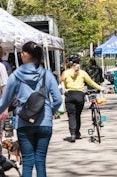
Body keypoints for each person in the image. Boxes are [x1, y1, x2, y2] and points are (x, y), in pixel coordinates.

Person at [0, 41, 62, 176]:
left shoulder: (15, 76)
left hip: (24, 122)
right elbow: (58, 99)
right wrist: (48, 112)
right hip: (44, 123)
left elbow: (4, 102)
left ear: (24, 54)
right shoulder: (47, 74)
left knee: (27, 162)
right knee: (40, 161)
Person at [63, 59, 103, 142]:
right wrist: (101, 88)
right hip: (79, 96)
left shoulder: (66, 73)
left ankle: (73, 134)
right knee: (77, 115)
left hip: (69, 95)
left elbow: (65, 84)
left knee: (71, 115)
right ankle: (77, 132)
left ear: (70, 64)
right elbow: (91, 83)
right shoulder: (82, 73)